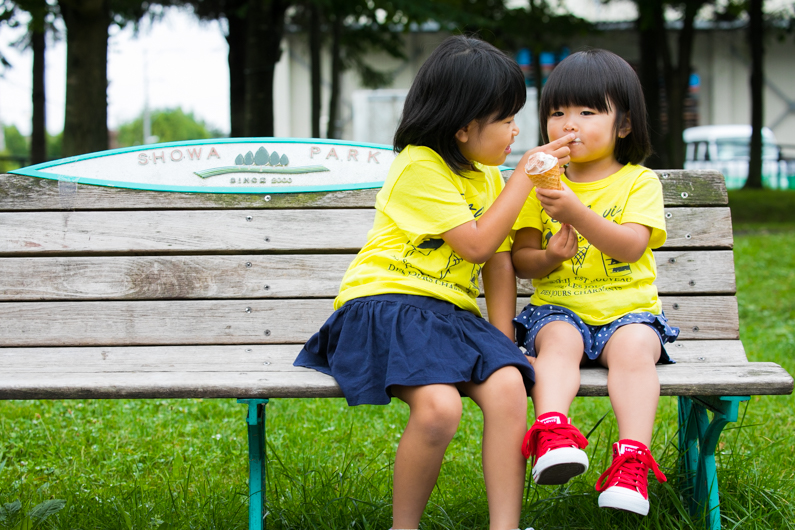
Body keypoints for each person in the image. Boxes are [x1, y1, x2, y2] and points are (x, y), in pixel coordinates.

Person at [294, 35, 573, 530]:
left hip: (448, 317)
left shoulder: (489, 178)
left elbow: (499, 264)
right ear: (465, 128)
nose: (516, 131)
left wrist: (504, 342)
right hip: (386, 305)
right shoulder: (418, 165)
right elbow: (475, 245)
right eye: (506, 119)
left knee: (510, 385)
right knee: (440, 409)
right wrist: (523, 179)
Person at [511, 48, 679, 517]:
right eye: (557, 112)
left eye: (588, 112)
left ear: (623, 125)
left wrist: (575, 213)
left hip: (628, 314)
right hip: (558, 310)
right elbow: (522, 261)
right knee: (558, 341)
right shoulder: (538, 181)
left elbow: (630, 246)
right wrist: (547, 256)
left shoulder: (637, 182)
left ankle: (631, 463)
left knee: (632, 351)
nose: (569, 124)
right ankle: (553, 432)